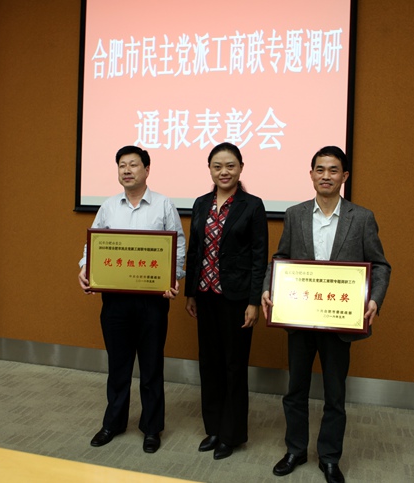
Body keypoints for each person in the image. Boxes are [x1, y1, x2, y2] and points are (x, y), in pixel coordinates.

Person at [261, 146, 391, 483]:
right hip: (299, 317)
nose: (326, 176)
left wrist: (374, 299)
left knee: (335, 394)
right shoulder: (295, 214)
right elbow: (280, 257)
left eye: (333, 170)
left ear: (344, 176)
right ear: (311, 174)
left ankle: (330, 457)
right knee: (296, 390)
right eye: (319, 169)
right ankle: (295, 450)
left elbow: (380, 265)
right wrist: (268, 287)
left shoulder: (361, 217)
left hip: (339, 320)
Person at [78, 145, 186, 454]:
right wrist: (85, 268)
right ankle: (113, 423)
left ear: (147, 170)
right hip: (115, 301)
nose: (127, 170)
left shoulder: (164, 205)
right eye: (122, 165)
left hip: (153, 301)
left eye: (133, 164)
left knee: (151, 367)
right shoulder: (109, 206)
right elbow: (93, 244)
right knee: (118, 365)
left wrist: (174, 278)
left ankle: (151, 428)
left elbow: (178, 246)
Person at [185, 142, 268, 460]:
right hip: (204, 295)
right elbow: (195, 250)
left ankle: (231, 435)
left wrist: (253, 302)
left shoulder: (252, 205)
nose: (224, 171)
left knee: (234, 366)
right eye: (217, 166)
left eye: (230, 165)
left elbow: (259, 257)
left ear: (241, 168)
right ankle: (214, 428)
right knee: (209, 364)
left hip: (236, 298)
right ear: (209, 169)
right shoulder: (201, 203)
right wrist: (190, 292)